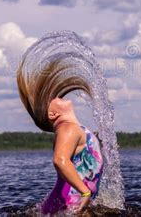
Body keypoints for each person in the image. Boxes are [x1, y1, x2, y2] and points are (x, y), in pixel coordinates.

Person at [16, 57, 104, 214]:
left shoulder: (71, 129)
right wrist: (85, 192)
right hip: (65, 206)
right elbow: (59, 160)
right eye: (53, 99)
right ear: (52, 114)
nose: (57, 97)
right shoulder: (67, 129)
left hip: (67, 205)